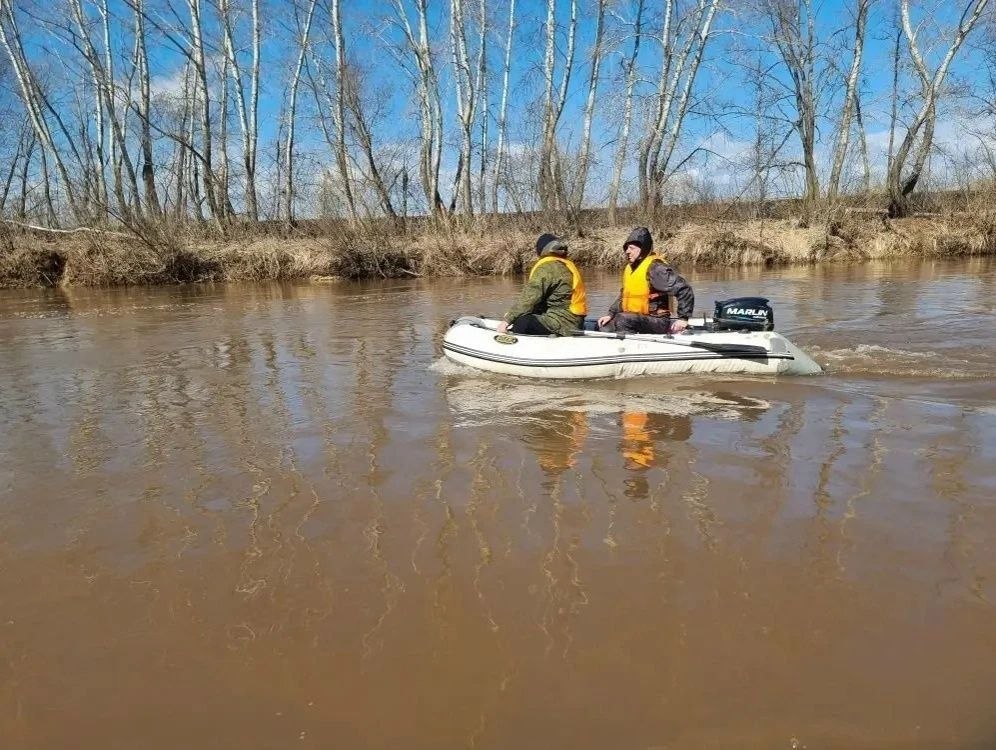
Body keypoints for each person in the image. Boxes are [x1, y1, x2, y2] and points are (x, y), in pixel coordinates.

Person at [597, 227, 694, 335]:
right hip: (636, 319)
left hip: (658, 321)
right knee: (605, 326)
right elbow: (624, 296)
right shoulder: (630, 269)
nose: (627, 251)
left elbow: (684, 289)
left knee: (623, 319)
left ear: (643, 249)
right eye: (626, 248)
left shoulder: (656, 269)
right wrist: (610, 314)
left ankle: (631, 348)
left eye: (631, 248)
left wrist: (683, 318)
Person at [497, 233, 587, 335]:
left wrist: (507, 320)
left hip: (562, 322)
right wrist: (514, 314)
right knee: (526, 315)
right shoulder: (567, 265)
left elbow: (529, 299)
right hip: (576, 321)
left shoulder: (547, 267)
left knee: (522, 323)